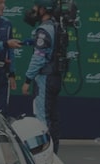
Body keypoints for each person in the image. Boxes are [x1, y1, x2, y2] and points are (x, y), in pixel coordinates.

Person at [21, 0, 62, 152]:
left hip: (45, 78)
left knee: (42, 117)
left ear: (44, 9)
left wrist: (27, 80)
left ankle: (46, 153)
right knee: (53, 117)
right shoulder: (56, 26)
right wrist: (30, 42)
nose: (33, 10)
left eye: (36, 7)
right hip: (55, 78)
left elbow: (39, 58)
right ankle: (54, 151)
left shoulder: (44, 30)